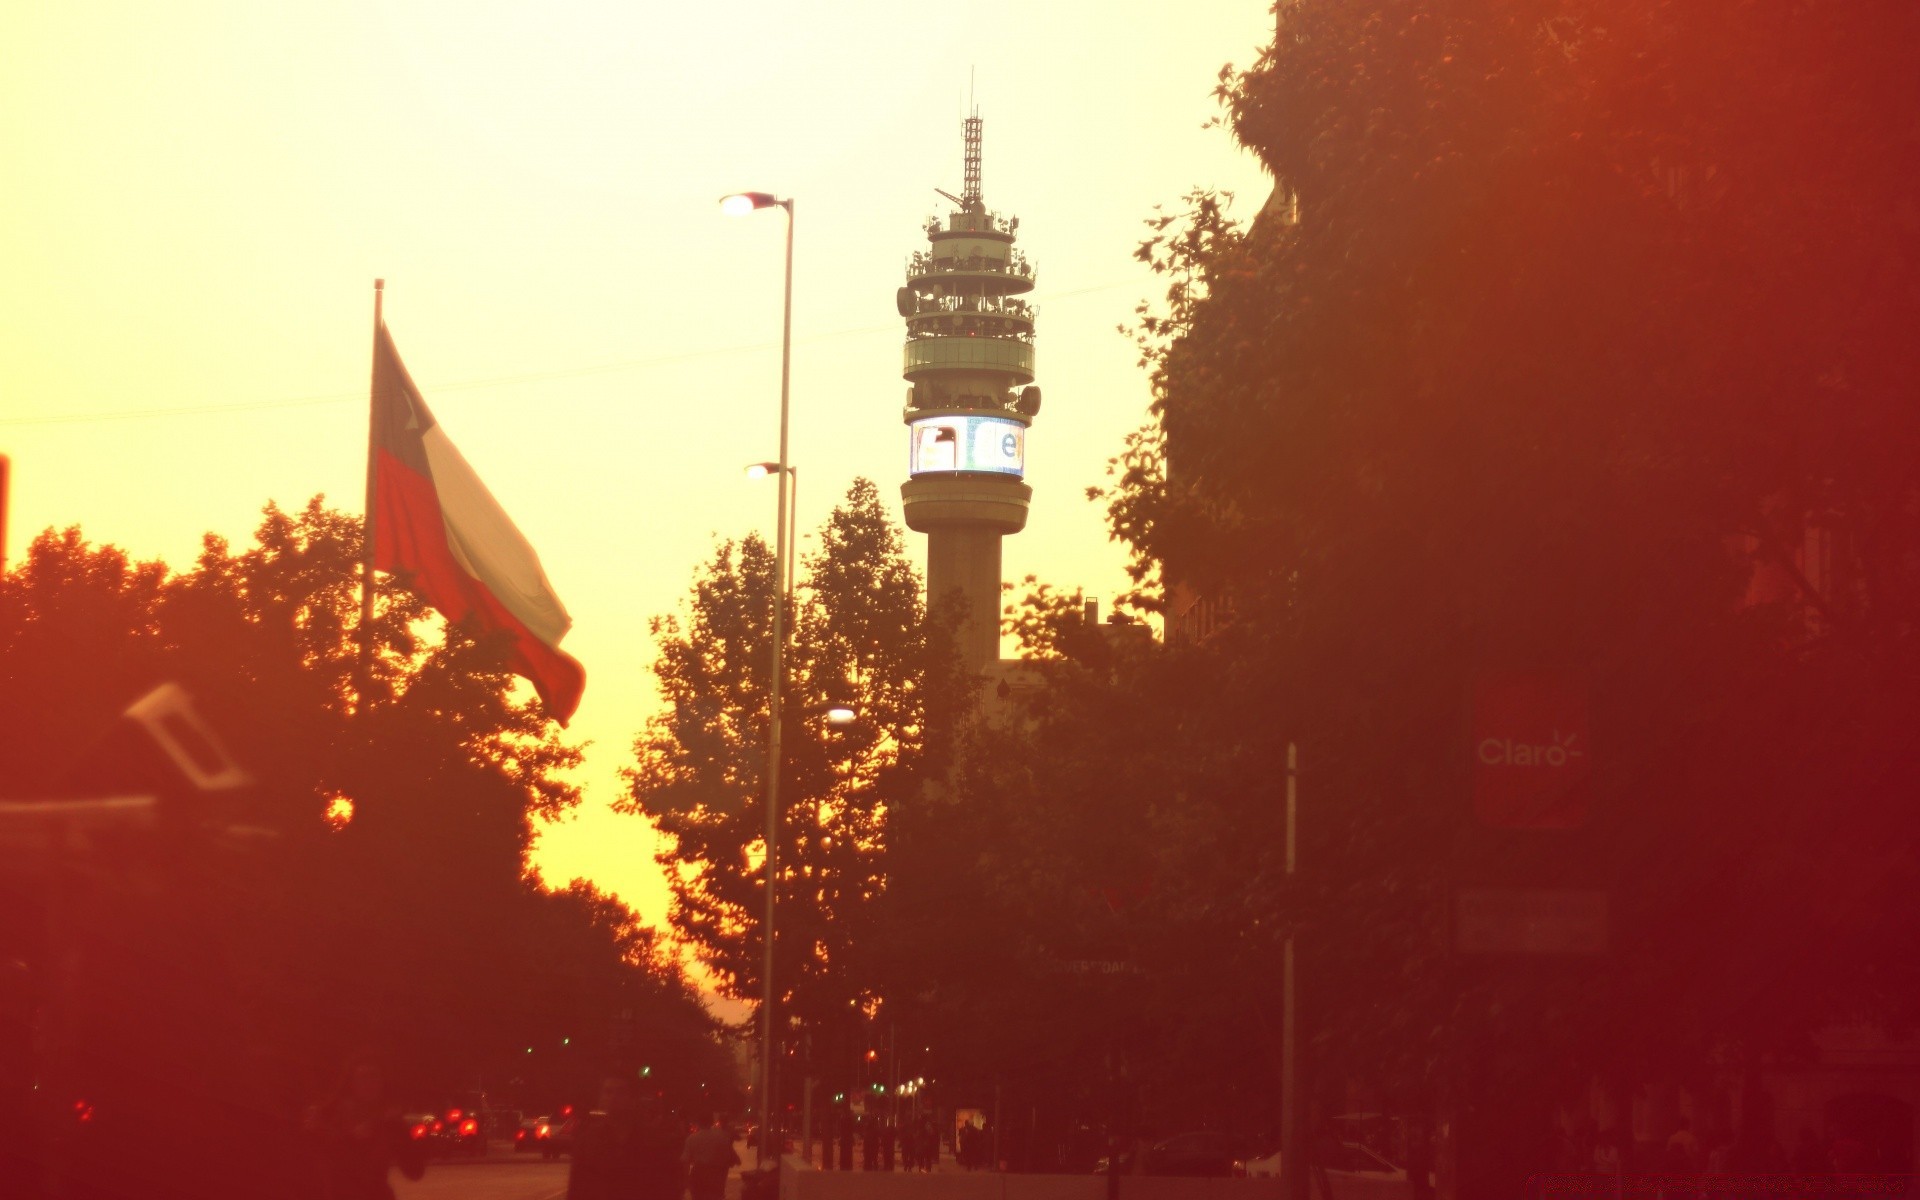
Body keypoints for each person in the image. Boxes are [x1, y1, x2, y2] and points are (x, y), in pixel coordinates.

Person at [303, 1054, 426, 1200]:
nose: (370, 1083)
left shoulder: (389, 1120)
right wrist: (351, 1138)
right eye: (363, 1077)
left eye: (375, 1077)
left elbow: (414, 1172)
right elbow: (314, 1157)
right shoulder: (331, 1115)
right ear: (351, 1082)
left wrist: (403, 1137)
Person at [568, 1076, 683, 1200]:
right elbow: (577, 1188)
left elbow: (669, 1189)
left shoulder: (655, 1142)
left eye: (620, 1092)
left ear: (633, 1099)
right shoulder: (587, 1141)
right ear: (601, 1098)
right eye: (608, 1092)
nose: (612, 1097)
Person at [682, 1112, 739, 1200]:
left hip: (698, 1174)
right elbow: (728, 1158)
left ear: (698, 1123)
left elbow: (686, 1161)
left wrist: (686, 1179)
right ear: (712, 1122)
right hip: (716, 1175)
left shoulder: (691, 1139)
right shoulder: (722, 1137)